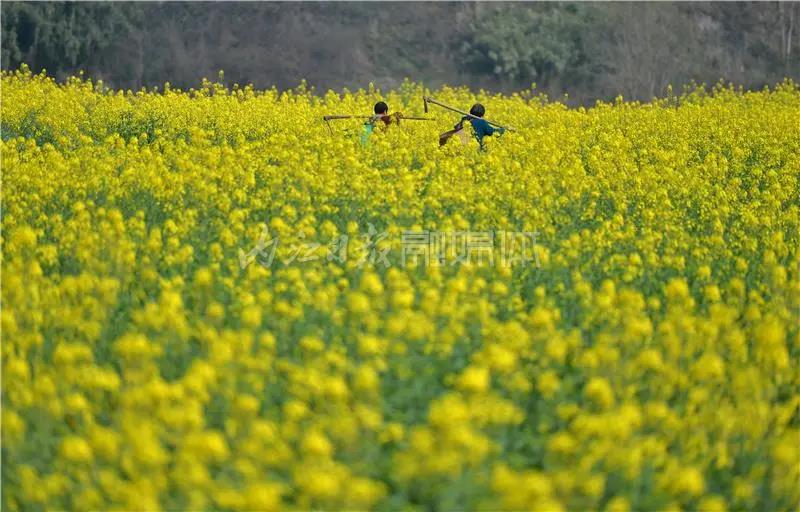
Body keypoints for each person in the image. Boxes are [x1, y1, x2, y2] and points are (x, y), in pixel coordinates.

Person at [439, 103, 505, 150]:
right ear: (482, 115)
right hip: (475, 150)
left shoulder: (465, 119)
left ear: (471, 112)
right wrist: (504, 129)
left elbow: (456, 127)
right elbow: (494, 133)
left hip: (460, 148)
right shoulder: (482, 122)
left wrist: (466, 118)